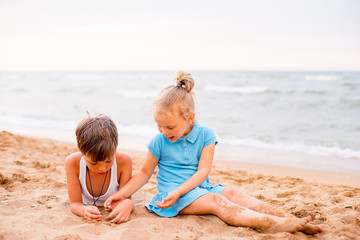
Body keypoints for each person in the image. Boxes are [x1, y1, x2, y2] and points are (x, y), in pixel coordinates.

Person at [105, 71, 321, 234]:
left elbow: (202, 172)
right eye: (158, 126)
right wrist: (121, 194)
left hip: (201, 187)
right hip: (172, 196)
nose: (163, 131)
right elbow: (143, 174)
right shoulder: (158, 142)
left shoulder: (206, 135)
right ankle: (272, 224)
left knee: (234, 194)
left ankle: (292, 220)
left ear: (189, 118)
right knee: (219, 203)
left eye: (169, 127)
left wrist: (189, 190)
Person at [65, 114, 133, 223]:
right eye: (93, 163)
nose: (102, 168)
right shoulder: (72, 163)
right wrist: (83, 210)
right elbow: (75, 204)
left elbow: (126, 198)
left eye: (108, 161)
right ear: (80, 150)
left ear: (115, 147)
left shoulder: (124, 161)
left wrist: (128, 204)